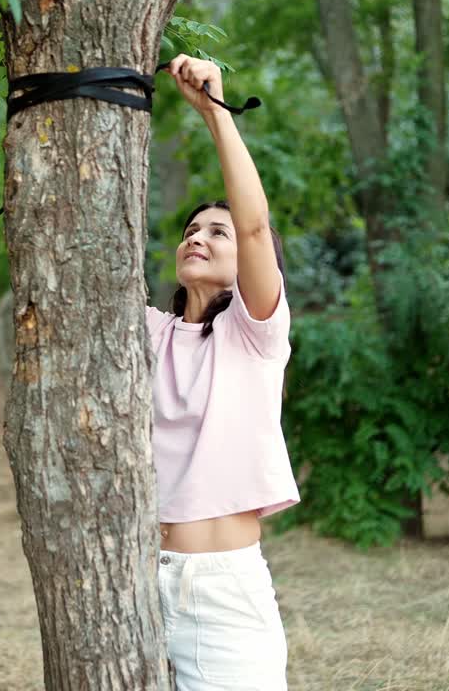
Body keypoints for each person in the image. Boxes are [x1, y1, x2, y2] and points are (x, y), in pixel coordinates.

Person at [148, 55, 300, 690]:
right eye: (190, 230)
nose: (197, 237)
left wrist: (214, 111)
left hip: (222, 593)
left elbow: (256, 226)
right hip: (136, 581)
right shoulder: (149, 332)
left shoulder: (254, 332)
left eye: (218, 231)